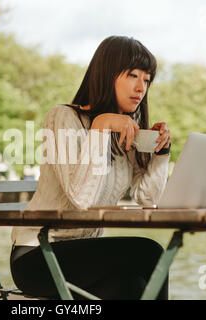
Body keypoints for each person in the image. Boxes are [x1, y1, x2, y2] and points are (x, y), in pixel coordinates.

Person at [9, 36, 171, 300]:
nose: (141, 88)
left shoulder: (126, 130)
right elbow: (82, 199)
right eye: (133, 75)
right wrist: (100, 127)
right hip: (38, 257)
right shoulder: (63, 118)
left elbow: (148, 200)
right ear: (107, 75)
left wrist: (161, 153)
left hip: (85, 257)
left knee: (132, 287)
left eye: (147, 79)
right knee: (149, 253)